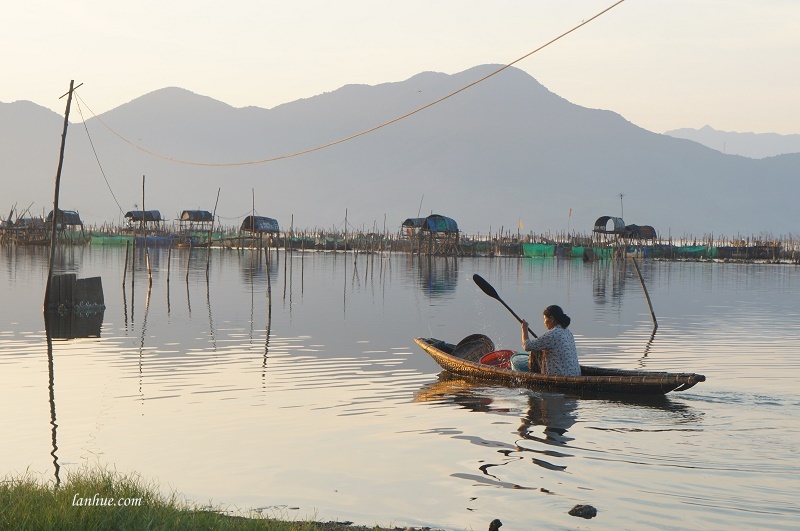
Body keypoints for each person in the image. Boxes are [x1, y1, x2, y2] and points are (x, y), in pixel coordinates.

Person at [510, 305, 581, 376]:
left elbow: (527, 346)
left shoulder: (552, 334)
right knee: (538, 350)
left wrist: (524, 329)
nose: (544, 322)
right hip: (575, 374)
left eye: (545, 319)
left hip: (561, 376)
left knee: (534, 351)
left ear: (552, 319)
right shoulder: (568, 332)